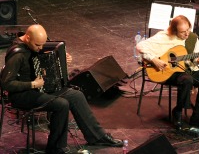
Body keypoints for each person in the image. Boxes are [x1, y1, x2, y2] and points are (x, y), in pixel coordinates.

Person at [0, 24, 124, 154]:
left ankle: (97, 136)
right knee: (61, 104)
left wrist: (62, 58)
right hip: (23, 94)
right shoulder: (17, 55)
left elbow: (45, 58)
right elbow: (6, 84)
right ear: (28, 38)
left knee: (76, 95)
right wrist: (32, 84)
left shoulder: (34, 44)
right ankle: (55, 148)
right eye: (38, 45)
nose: (40, 48)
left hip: (39, 88)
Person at [136, 15, 199, 130]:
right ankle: (177, 111)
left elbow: (194, 60)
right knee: (187, 80)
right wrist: (154, 59)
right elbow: (140, 46)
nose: (187, 34)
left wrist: (198, 60)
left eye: (188, 30)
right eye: (183, 32)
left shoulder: (192, 38)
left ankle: (198, 117)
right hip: (167, 71)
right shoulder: (163, 37)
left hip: (186, 68)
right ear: (174, 30)